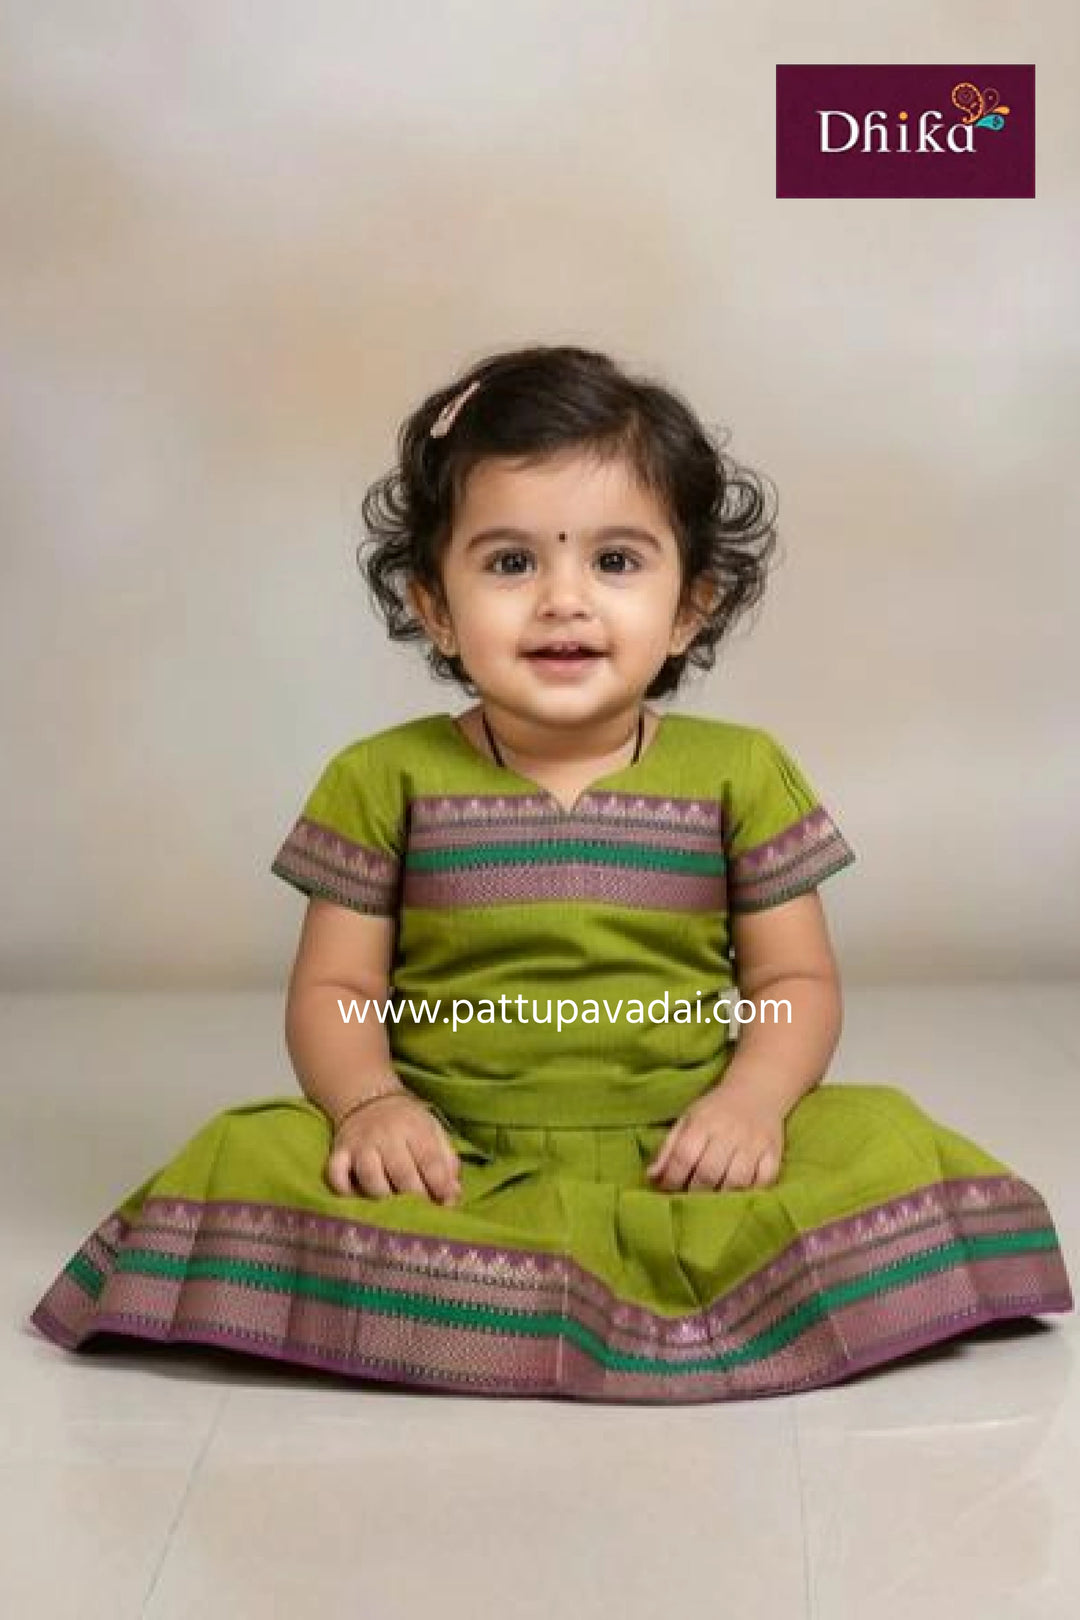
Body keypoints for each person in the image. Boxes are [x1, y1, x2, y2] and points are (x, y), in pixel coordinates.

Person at [28, 343, 1072, 1403]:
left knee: (881, 1134)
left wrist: (754, 1103)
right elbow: (338, 995)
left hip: (687, 1138)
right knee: (247, 1155)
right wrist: (371, 1106)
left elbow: (794, 985)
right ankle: (478, 1283)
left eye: (615, 563)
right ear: (435, 605)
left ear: (689, 607)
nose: (563, 602)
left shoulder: (742, 772)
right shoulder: (381, 777)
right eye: (511, 563)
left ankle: (520, 1304)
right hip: (455, 1150)